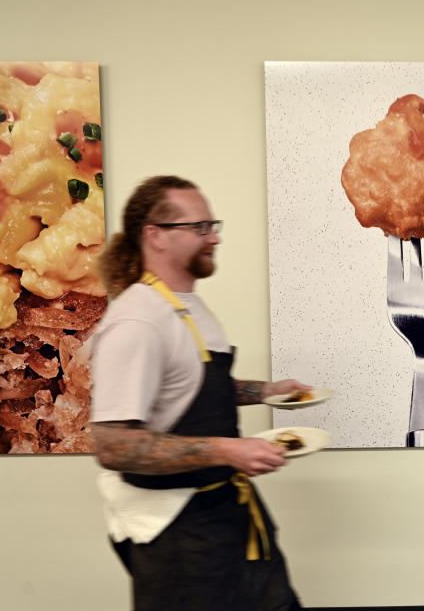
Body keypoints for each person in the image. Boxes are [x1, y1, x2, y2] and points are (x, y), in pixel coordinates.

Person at [89, 175, 307, 610]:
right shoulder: (137, 322)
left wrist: (265, 391)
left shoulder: (186, 304)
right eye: (201, 227)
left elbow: (188, 385)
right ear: (155, 236)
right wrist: (228, 450)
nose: (216, 237)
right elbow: (112, 444)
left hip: (226, 510)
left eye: (213, 224)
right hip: (179, 539)